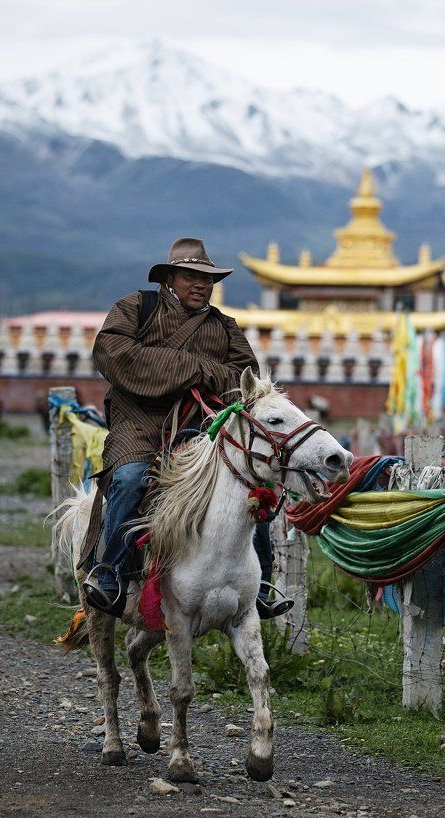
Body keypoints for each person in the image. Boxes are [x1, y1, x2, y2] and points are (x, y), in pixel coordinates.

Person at [80, 237, 293, 620]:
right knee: (130, 479)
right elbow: (114, 354)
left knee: (249, 486)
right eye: (190, 276)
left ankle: (261, 584)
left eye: (207, 278)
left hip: (201, 429)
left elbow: (246, 380)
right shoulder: (135, 308)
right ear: (170, 278)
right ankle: (109, 572)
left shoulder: (224, 326)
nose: (200, 285)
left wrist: (197, 372)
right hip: (139, 422)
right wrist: (192, 367)